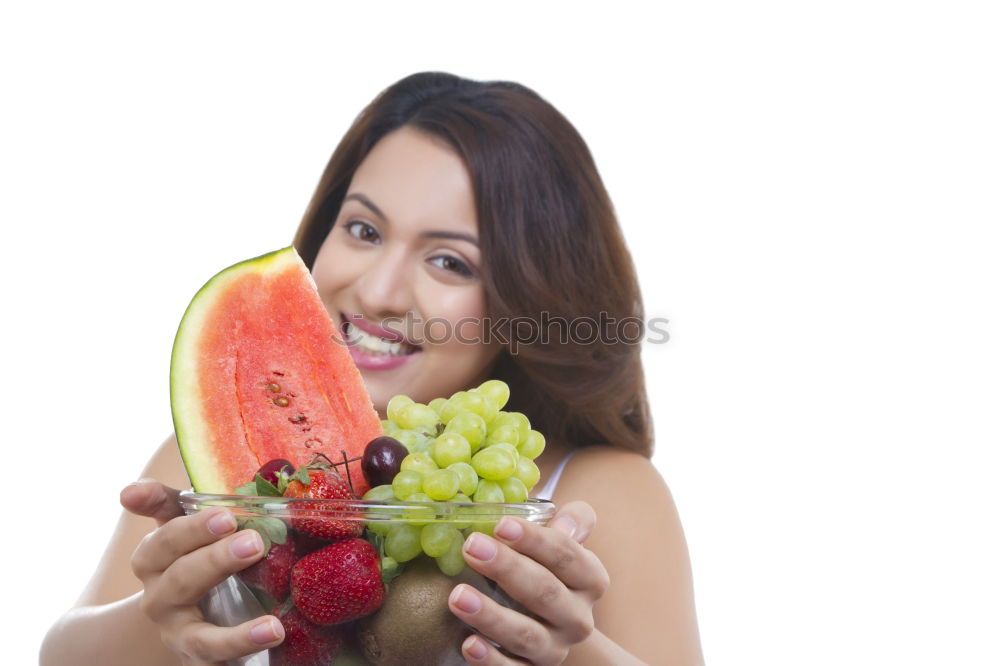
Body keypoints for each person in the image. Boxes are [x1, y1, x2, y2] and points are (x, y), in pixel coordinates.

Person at [41, 72, 703, 665]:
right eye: (363, 230)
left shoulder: (594, 490)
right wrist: (159, 622)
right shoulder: (223, 469)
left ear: (527, 302)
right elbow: (60, 654)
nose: (379, 291)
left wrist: (573, 652)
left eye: (451, 262)